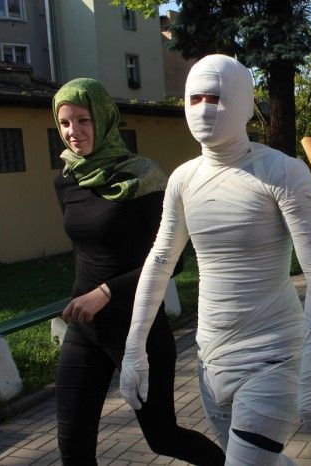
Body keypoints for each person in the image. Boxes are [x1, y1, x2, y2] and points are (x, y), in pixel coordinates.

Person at [119, 54, 311, 466]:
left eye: (215, 97)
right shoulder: (183, 179)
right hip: (210, 357)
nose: (203, 109)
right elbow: (161, 260)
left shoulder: (282, 172)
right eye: (195, 98)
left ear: (242, 101)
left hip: (274, 355)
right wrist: (134, 349)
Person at [52, 78, 224, 464]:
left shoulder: (143, 178)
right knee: (73, 448)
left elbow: (173, 260)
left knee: (162, 438)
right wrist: (88, 295)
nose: (73, 131)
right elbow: (85, 248)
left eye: (83, 120)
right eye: (64, 123)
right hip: (85, 328)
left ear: (103, 118)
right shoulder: (66, 178)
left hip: (138, 328)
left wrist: (106, 291)